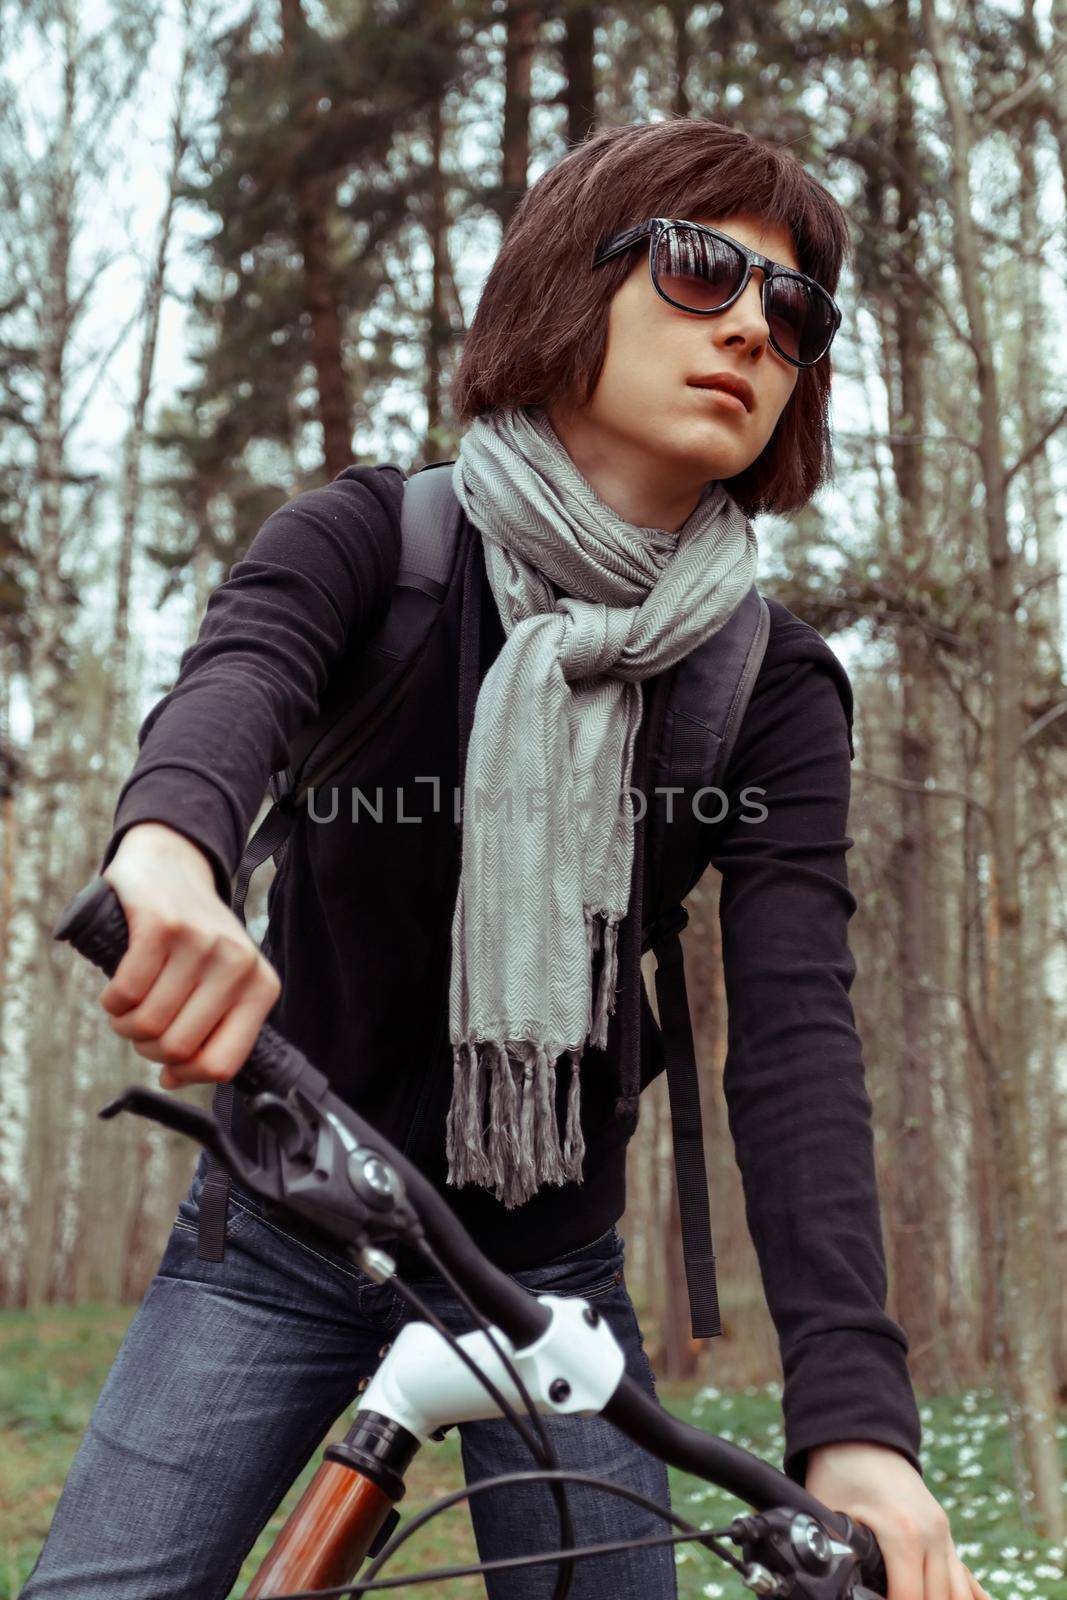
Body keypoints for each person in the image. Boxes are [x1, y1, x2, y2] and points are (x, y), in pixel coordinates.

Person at [21, 117, 989, 1600]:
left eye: (793, 310)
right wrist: (167, 856)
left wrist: (856, 1418)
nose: (750, 321)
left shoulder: (771, 687)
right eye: (697, 267)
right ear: (564, 284)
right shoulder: (377, 542)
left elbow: (798, 1037)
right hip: (288, 1224)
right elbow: (235, 684)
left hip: (555, 1272)